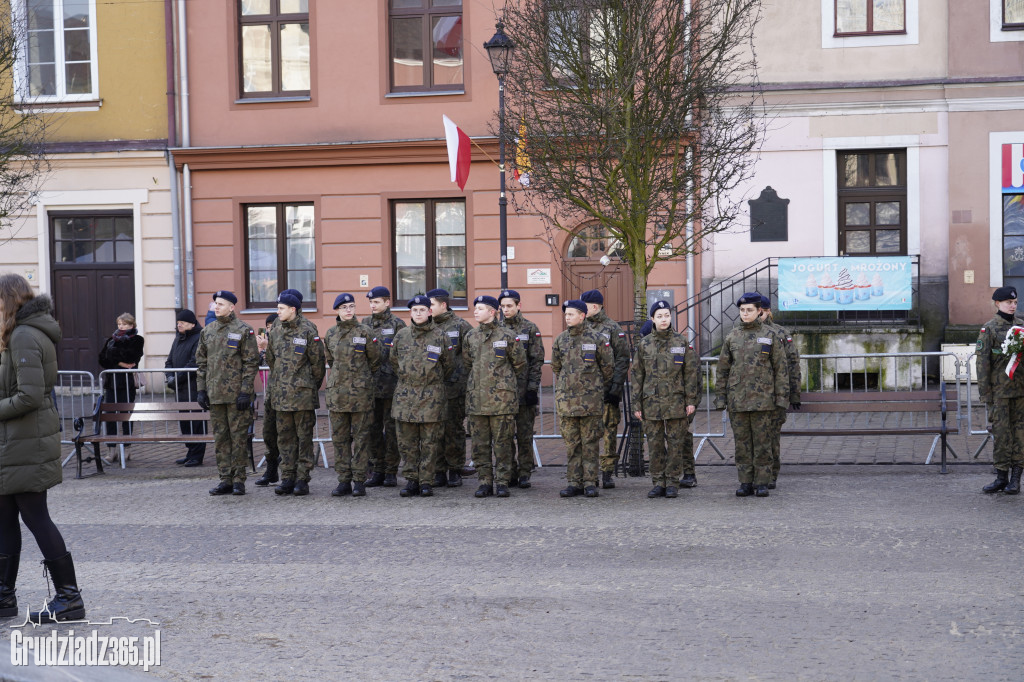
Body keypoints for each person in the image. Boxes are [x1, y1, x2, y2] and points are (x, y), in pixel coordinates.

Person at [0, 273, 85, 623]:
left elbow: (30, 396)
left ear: (9, 300)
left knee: (36, 518)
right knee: (4, 521)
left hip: (26, 442)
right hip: (14, 443)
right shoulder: (19, 334)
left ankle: (69, 599)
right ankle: (4, 598)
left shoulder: (23, 335)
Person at [715, 292, 789, 498]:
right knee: (742, 444)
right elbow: (722, 370)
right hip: (738, 401)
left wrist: (782, 398)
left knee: (763, 442)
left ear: (759, 312)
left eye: (749, 310)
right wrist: (720, 397)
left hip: (764, 400)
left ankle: (763, 482)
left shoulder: (770, 335)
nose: (745, 314)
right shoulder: (732, 336)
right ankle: (745, 481)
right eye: (742, 310)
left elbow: (780, 369)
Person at [631, 300, 701, 498]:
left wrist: (690, 401)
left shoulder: (680, 342)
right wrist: (636, 404)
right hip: (651, 403)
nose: (664, 319)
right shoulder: (644, 344)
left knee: (675, 444)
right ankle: (658, 482)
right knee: (655, 445)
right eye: (660, 316)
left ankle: (672, 482)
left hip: (676, 402)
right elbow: (637, 375)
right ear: (652, 319)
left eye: (667, 315)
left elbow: (690, 374)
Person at [196, 290, 259, 496]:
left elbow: (251, 363)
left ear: (232, 307)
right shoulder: (208, 331)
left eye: (221, 304)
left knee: (239, 438)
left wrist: (245, 392)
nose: (216, 307)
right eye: (215, 303)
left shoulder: (243, 330)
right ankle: (225, 479)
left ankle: (239, 479)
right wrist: (201, 390)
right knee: (221, 439)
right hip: (215, 396)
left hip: (236, 397)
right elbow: (202, 363)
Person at [390, 295, 453, 497]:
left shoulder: (440, 336)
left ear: (430, 312)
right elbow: (394, 362)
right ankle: (411, 480)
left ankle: (426, 481)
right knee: (407, 443)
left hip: (431, 398)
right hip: (405, 398)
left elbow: (449, 366)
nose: (418, 313)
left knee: (430, 442)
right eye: (415, 310)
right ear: (410, 313)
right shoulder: (401, 336)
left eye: (422, 310)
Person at [465, 295, 526, 498]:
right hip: (477, 401)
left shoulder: (507, 336)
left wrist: (505, 386)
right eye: (475, 308)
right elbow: (467, 363)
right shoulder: (470, 336)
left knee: (503, 444)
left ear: (492, 312)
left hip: (502, 401)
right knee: (479, 445)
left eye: (480, 308)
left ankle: (502, 482)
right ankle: (484, 482)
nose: (475, 311)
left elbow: (519, 364)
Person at [551, 299, 613, 498]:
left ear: (582, 315)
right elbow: (556, 367)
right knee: (572, 444)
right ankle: (574, 482)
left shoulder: (597, 339)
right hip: (567, 403)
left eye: (571, 314)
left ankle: (590, 482)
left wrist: (593, 386)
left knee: (590, 443)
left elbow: (607, 367)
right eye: (566, 314)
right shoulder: (561, 340)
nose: (567, 317)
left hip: (590, 402)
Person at [267, 291, 326, 497]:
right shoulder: (275, 331)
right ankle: (287, 477)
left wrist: (308, 386)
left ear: (293, 309)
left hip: (302, 396)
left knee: (303, 439)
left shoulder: (308, 330)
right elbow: (271, 360)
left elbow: (318, 364)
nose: (278, 312)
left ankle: (302, 479)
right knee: (285, 439)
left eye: (281, 308)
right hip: (281, 396)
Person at [324, 293, 381, 497]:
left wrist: (360, 379)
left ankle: (359, 480)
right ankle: (343, 480)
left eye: (351, 306)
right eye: (344, 307)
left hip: (360, 397)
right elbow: (331, 361)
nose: (348, 310)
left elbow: (375, 360)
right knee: (340, 440)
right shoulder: (330, 334)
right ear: (337, 310)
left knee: (362, 439)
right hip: (338, 396)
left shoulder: (365, 332)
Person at [977, 286, 1024, 494]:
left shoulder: (1021, 327)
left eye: (1014, 303)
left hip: (1021, 391)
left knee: (1020, 434)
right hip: (1000, 392)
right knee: (1002, 434)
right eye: (1008, 303)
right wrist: (985, 392)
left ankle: (1016, 479)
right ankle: (1001, 477)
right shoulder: (989, 329)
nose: (1012, 306)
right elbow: (982, 363)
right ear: (998, 304)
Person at [581, 289, 630, 489]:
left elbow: (622, 358)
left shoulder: (611, 328)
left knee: (609, 430)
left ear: (594, 306)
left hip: (607, 390)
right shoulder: (580, 326)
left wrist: (616, 388)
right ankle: (586, 472)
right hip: (586, 391)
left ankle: (607, 472)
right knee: (586, 433)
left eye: (583, 306)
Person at [427, 288, 474, 488]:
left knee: (454, 430)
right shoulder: (426, 326)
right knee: (435, 430)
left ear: (443, 305)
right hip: (433, 388)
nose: (428, 309)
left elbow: (471, 354)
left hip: (455, 388)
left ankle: (455, 469)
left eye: (431, 305)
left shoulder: (461, 326)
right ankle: (438, 471)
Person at [499, 289, 545, 488]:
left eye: (510, 306)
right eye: (503, 306)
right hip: (502, 393)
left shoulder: (529, 328)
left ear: (519, 306)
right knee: (505, 435)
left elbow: (536, 361)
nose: (506, 310)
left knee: (525, 435)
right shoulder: (497, 329)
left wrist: (532, 389)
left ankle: (525, 472)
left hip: (524, 390)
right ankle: (510, 471)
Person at [362, 286, 406, 488]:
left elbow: (401, 355)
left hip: (390, 386)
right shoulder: (364, 324)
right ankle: (377, 470)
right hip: (370, 386)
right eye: (371, 302)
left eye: (376, 302)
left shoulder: (398, 325)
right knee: (372, 430)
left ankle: (390, 471)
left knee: (391, 431)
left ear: (387, 302)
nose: (373, 305)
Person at [759, 295, 802, 489]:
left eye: (761, 310)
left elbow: (792, 364)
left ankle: (770, 474)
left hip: (775, 394)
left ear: (768, 311)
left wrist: (794, 393)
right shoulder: (739, 333)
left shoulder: (780, 333)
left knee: (771, 436)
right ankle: (754, 475)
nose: (758, 313)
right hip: (750, 397)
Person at [98, 312, 145, 463]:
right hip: (111, 383)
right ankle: (111, 450)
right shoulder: (111, 339)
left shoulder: (137, 339)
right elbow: (102, 359)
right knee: (110, 416)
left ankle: (127, 449)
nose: (121, 327)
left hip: (127, 383)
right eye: (119, 324)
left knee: (126, 415)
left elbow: (132, 357)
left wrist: (115, 357)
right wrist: (120, 363)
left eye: (124, 324)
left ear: (132, 325)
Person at [164, 309, 206, 467]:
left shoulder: (198, 337)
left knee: (196, 421)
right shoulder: (177, 339)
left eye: (182, 322)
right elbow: (169, 362)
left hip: (193, 387)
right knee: (185, 421)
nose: (179, 325)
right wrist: (169, 377)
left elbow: (194, 363)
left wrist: (176, 379)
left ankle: (197, 454)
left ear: (192, 324)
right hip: (180, 388)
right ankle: (190, 452)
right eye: (178, 322)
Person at [254, 312, 280, 486]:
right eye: (268, 327)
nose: (270, 330)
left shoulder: (280, 341)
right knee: (269, 434)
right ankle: (271, 471)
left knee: (286, 436)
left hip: (287, 394)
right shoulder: (264, 342)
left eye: (272, 327)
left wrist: (268, 347)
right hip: (269, 393)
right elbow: (257, 363)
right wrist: (260, 350)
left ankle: (291, 474)